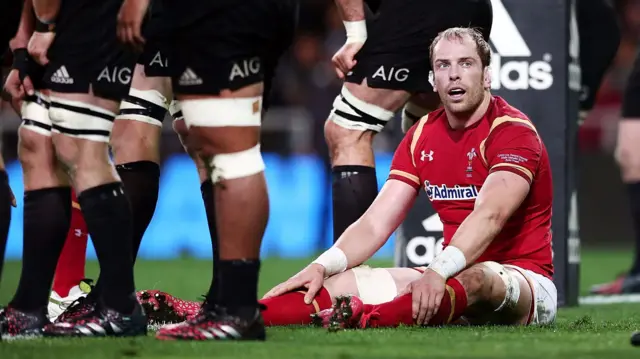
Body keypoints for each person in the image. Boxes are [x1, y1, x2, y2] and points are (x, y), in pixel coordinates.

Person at [137, 27, 557, 329]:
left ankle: (367, 317)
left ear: (486, 75)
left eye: (465, 64)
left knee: (480, 279)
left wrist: (438, 270)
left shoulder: (513, 133)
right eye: (443, 66)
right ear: (431, 78)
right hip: (444, 276)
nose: (453, 74)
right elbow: (377, 221)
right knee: (337, 284)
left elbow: (488, 216)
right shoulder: (421, 135)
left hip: (521, 283)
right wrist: (322, 265)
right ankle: (217, 313)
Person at [117, 0, 298, 341]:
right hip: (243, 15)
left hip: (225, 12)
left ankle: (236, 309)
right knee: (214, 140)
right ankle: (227, 305)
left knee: (231, 150)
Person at [3, 0, 147, 338]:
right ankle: (29, 307)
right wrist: (22, 49)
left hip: (94, 18)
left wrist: (46, 28)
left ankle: (120, 305)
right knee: (36, 145)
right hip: (51, 22)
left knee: (80, 145)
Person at [325, 0, 492, 244]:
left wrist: (354, 35)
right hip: (473, 10)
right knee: (428, 132)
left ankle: (349, 273)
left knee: (348, 129)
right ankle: (475, 257)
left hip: (415, 13)